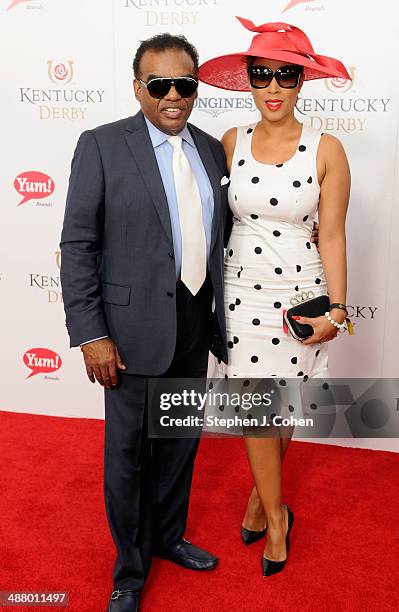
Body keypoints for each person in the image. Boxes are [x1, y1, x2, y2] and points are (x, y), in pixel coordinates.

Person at [60, 33, 232, 612]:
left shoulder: (211, 150)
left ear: (196, 86)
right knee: (129, 455)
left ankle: (169, 537)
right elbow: (79, 244)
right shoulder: (103, 145)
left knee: (179, 442)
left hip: (194, 319)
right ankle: (129, 572)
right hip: (129, 331)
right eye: (159, 85)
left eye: (185, 84)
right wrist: (91, 333)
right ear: (139, 88)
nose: (173, 96)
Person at [199, 17, 351, 576]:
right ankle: (278, 515)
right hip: (240, 295)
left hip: (301, 294)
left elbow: (332, 234)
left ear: (301, 82)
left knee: (280, 405)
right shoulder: (231, 142)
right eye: (261, 75)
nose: (272, 87)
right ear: (250, 80)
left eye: (284, 75)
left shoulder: (327, 149)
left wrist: (338, 308)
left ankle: (262, 498)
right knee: (256, 409)